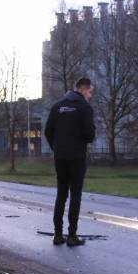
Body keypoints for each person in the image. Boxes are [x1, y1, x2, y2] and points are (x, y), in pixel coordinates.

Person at [45, 77, 96, 246]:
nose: (90, 95)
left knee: (61, 194)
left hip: (60, 157)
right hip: (77, 157)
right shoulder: (84, 107)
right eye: (90, 92)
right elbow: (89, 135)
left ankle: (58, 235)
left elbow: (48, 131)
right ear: (84, 89)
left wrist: (56, 148)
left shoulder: (57, 106)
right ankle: (72, 236)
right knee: (75, 195)